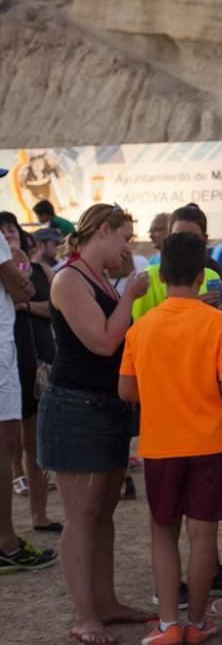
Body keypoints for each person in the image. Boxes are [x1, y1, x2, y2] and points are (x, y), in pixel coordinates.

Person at [37, 204, 153, 644]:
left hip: (101, 409)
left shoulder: (97, 276)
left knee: (102, 515)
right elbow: (104, 341)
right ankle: (85, 616)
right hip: (75, 409)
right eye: (124, 237)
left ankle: (104, 604)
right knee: (82, 517)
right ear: (102, 231)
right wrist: (129, 297)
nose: (128, 247)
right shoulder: (69, 279)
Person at [119, 232, 222, 645]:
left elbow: (125, 391)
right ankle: (200, 620)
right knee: (203, 534)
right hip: (210, 442)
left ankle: (169, 622)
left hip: (160, 445)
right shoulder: (218, 323)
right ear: (200, 274)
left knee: (163, 531)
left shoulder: (142, 327)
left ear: (162, 274)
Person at [0, 214, 59, 531]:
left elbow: (51, 307)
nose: (7, 232)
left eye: (12, 228)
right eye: (3, 228)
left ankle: (40, 515)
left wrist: (24, 304)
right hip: (12, 356)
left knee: (36, 439)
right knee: (12, 439)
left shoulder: (40, 270)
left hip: (39, 359)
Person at [133, 204, 222, 319]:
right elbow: (141, 325)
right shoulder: (149, 277)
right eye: (179, 235)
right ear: (169, 237)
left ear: (204, 239)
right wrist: (189, 306)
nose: (185, 243)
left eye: (192, 237)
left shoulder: (211, 276)